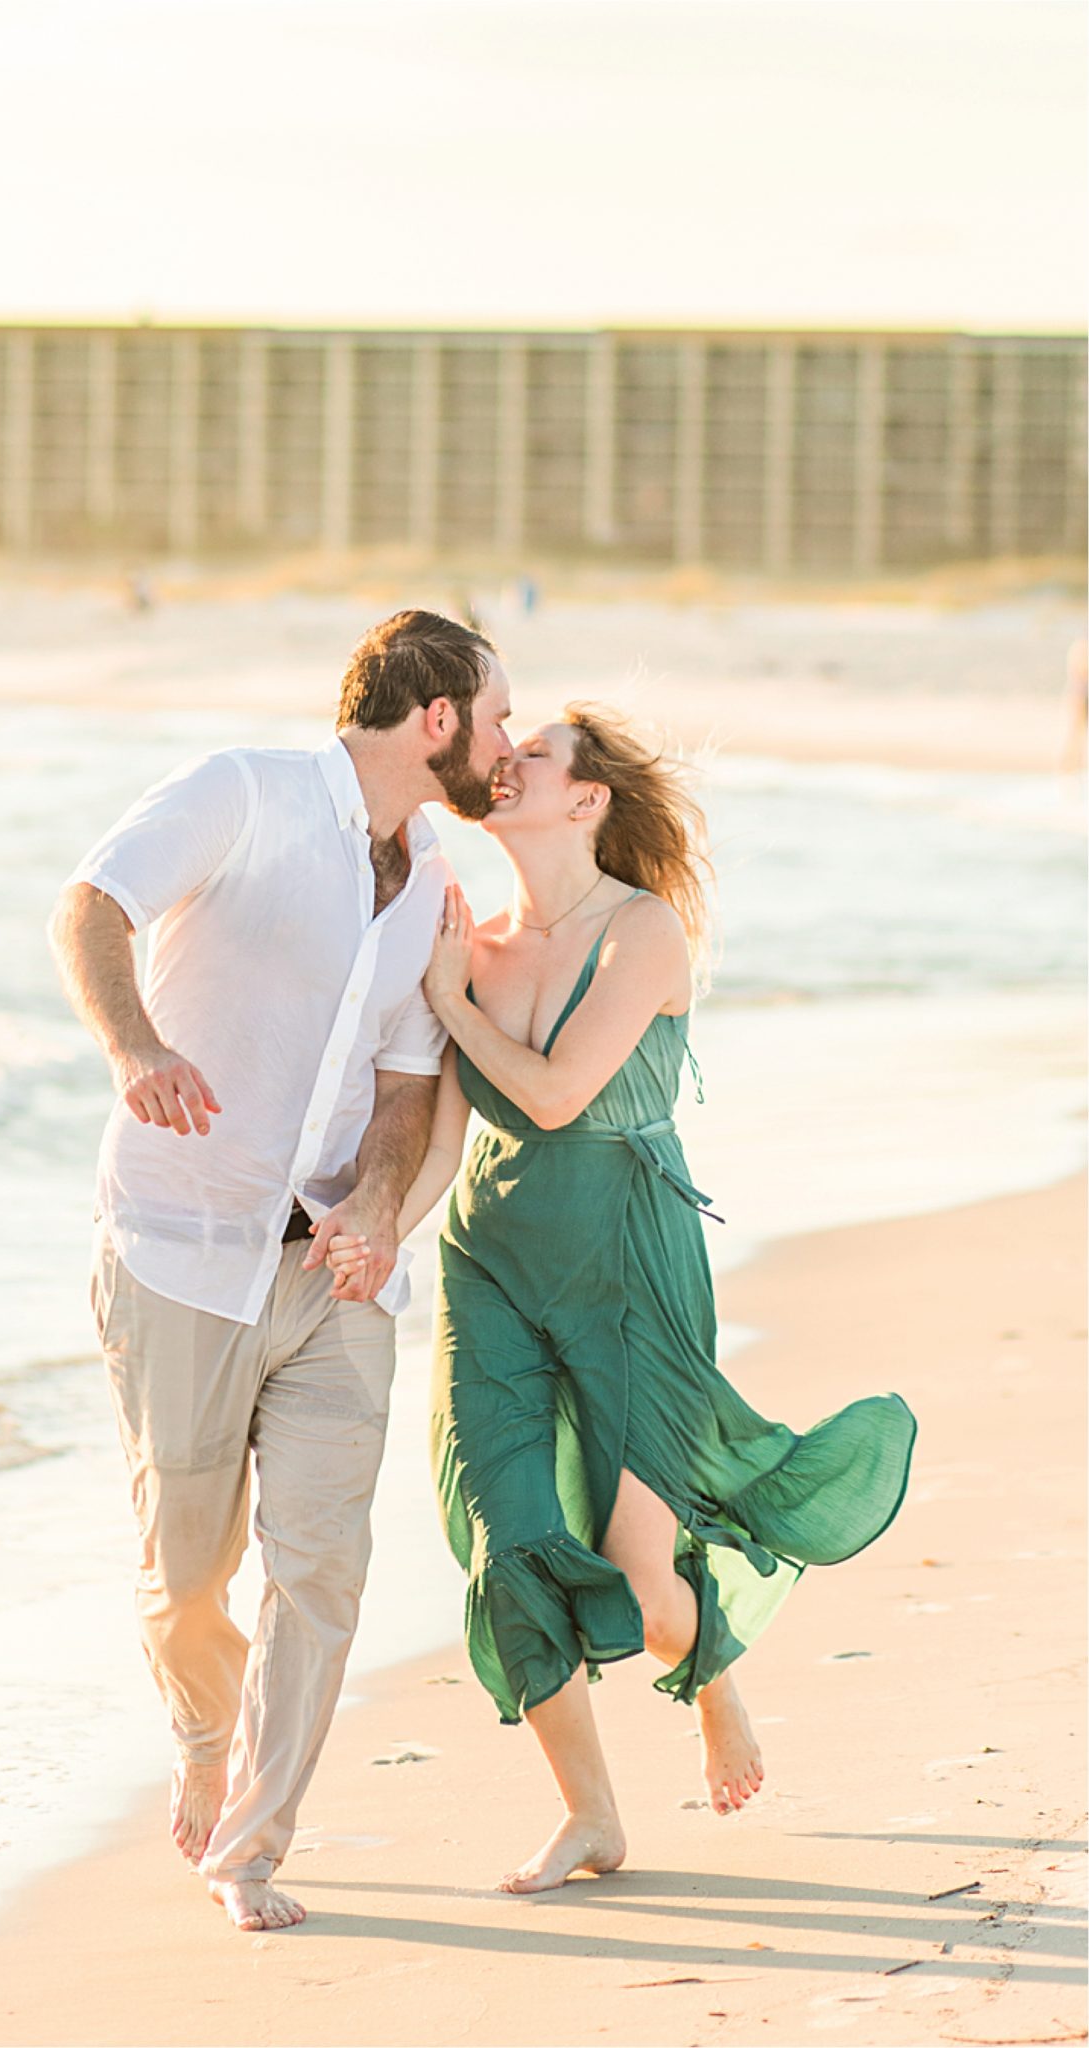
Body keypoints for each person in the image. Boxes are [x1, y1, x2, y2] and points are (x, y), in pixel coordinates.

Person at [329, 703, 916, 1893]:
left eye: (533, 756)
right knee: (506, 1542)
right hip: (490, 1265)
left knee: (643, 1577)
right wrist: (375, 1231)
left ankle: (713, 1680)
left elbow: (550, 1096)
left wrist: (446, 1002)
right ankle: (591, 1814)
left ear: (587, 799)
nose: (506, 765)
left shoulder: (645, 932)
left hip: (631, 1267)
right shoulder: (472, 939)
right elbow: (450, 1136)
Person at [48, 609, 513, 1932]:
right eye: (493, 716)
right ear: (435, 722)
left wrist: (377, 1198)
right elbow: (89, 907)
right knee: (185, 1571)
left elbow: (408, 1085)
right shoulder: (239, 793)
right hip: (177, 1249)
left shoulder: (427, 882)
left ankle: (249, 1848)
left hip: (332, 1277)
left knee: (322, 1565)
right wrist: (136, 1050)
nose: (504, 741)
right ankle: (204, 1732)